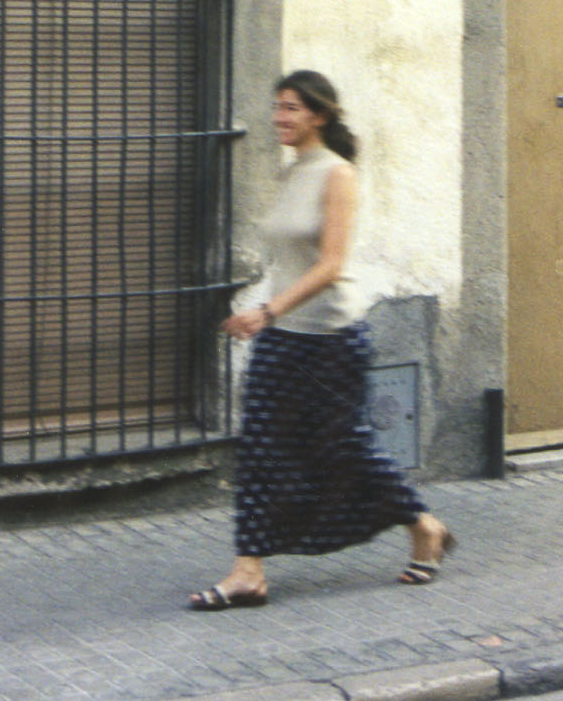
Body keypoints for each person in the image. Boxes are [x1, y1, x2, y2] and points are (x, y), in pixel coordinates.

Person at [189, 70, 454, 611]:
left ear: (320, 115)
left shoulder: (337, 174)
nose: (278, 117)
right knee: (260, 450)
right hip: (283, 333)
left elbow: (331, 265)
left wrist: (265, 310)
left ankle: (425, 527)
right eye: (277, 107)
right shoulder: (292, 173)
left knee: (342, 449)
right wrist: (270, 314)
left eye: (291, 109)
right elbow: (290, 260)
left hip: (329, 338)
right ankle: (248, 572)